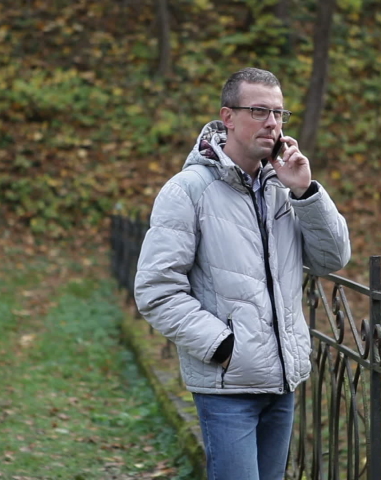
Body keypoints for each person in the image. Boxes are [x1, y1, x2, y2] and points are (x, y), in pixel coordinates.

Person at [134, 67, 350, 480]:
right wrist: (222, 345)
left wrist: (306, 193)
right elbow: (156, 290)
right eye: (259, 110)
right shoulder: (188, 191)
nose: (272, 122)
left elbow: (332, 257)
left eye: (279, 113)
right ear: (227, 117)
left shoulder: (283, 188)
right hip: (227, 386)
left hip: (282, 383)